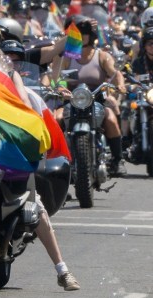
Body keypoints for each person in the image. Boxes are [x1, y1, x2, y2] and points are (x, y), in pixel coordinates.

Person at [0, 19, 81, 291]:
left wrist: (24, 128)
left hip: (1, 144)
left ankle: (62, 269)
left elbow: (22, 103)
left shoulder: (9, 71)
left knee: (34, 202)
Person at [50, 15, 126, 177]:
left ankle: (117, 159)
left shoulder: (102, 56)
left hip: (96, 99)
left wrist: (120, 84)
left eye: (83, 33)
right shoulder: (68, 57)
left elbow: (116, 73)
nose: (80, 36)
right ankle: (53, 159)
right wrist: (58, 88)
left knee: (111, 118)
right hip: (72, 100)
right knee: (56, 119)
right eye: (77, 33)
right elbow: (55, 76)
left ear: (91, 35)